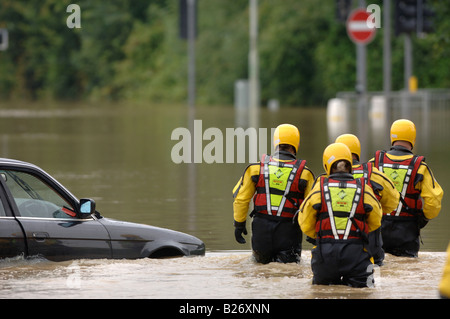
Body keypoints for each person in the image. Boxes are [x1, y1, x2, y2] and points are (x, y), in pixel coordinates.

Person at [298, 143, 382, 287]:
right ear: (350, 164)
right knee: (364, 294)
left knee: (321, 293)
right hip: (357, 255)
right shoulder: (364, 189)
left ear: (327, 165)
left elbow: (304, 221)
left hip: (325, 255)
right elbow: (376, 219)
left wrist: (321, 235)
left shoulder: (319, 188)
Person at [232, 124, 315, 264]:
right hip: (289, 233)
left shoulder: (255, 169)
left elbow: (241, 199)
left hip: (261, 232)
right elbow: (313, 206)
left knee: (261, 272)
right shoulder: (305, 174)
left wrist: (239, 225)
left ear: (275, 142)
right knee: (289, 274)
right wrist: (312, 233)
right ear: (297, 144)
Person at [371, 119, 444, 257]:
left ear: (392, 137)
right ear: (413, 139)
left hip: (378, 231)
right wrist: (424, 217)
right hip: (406, 234)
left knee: (379, 269)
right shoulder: (421, 167)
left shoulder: (374, 163)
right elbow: (434, 200)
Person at [335, 133, 400, 265]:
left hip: (332, 249)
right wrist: (378, 209)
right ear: (357, 151)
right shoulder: (374, 174)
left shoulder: (324, 179)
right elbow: (394, 200)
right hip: (369, 247)